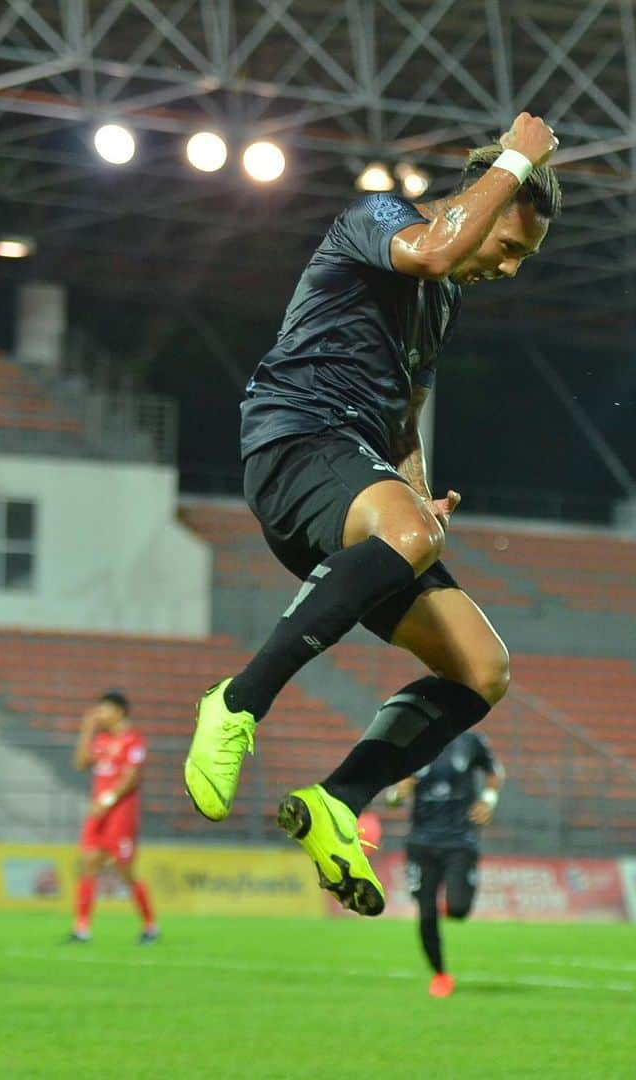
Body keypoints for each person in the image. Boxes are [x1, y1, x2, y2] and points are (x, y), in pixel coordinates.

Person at [183, 112, 560, 915]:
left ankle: (337, 802)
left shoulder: (442, 306)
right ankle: (236, 704)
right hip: (294, 439)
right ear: (483, 207)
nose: (511, 268)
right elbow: (436, 248)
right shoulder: (381, 218)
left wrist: (416, 489)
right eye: (509, 247)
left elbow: (404, 407)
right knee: (411, 537)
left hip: (355, 477)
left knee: (482, 669)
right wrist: (519, 161)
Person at [387, 731, 503, 997]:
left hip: (460, 841)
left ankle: (449, 899)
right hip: (421, 843)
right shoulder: (412, 740)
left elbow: (495, 773)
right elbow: (393, 799)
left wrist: (488, 801)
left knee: (459, 908)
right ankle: (440, 974)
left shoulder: (471, 742)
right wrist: (396, 794)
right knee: (426, 913)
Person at [70, 691, 157, 944]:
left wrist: (106, 801)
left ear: (119, 712)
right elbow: (80, 764)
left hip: (120, 814)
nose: (99, 714)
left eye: (104, 709)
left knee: (125, 871)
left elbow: (131, 777)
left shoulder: (133, 741)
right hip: (99, 813)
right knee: (88, 864)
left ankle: (150, 926)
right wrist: (86, 731)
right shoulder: (101, 740)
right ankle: (81, 928)